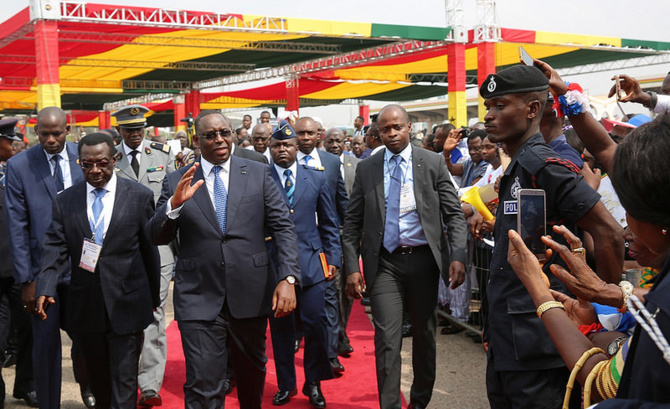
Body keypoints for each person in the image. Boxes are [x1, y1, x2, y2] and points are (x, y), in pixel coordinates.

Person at [478, 64, 624, 409]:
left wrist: (604, 301)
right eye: (488, 107)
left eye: (500, 106)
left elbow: (609, 232)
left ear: (531, 109)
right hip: (510, 338)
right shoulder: (519, 167)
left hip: (540, 342)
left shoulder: (544, 165)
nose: (489, 115)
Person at [507, 114, 670, 407]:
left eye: (626, 209)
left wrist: (540, 294)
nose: (625, 229)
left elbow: (602, 385)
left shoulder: (664, 309)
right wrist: (611, 295)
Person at [148, 110, 300, 408]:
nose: (219, 139)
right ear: (196, 140)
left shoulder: (257, 172)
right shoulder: (178, 180)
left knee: (251, 377)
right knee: (203, 384)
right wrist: (173, 206)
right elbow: (157, 235)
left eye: (224, 133)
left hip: (251, 293)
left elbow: (283, 227)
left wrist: (288, 277)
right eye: (210, 135)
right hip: (198, 296)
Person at [342, 104, 468, 409]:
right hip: (385, 264)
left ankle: (419, 402)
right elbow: (352, 223)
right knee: (386, 339)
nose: (392, 133)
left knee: (425, 336)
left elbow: (453, 213)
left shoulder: (432, 162)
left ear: (409, 128)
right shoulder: (367, 168)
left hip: (424, 261)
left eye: (397, 127)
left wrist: (459, 255)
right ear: (377, 132)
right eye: (385, 129)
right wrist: (351, 267)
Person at [35, 133, 160, 409]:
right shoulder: (65, 200)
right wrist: (45, 287)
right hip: (85, 304)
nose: (94, 170)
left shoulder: (139, 196)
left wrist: (152, 299)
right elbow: (54, 247)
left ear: (115, 159)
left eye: (102, 163)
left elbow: (149, 252)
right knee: (98, 378)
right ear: (79, 163)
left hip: (127, 302)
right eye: (87, 164)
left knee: (125, 378)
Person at [5, 107, 93, 409]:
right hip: (43, 272)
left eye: (57, 133)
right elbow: (17, 225)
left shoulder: (85, 157)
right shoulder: (19, 166)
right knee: (45, 346)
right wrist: (26, 279)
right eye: (45, 134)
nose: (51, 139)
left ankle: (90, 388)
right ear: (35, 132)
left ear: (67, 130)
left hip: (84, 267)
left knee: (88, 338)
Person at [268, 121, 340, 408]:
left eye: (287, 144)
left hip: (311, 264)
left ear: (297, 148)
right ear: (270, 149)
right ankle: (286, 385)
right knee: (281, 330)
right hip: (275, 267)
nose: (282, 149)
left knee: (315, 325)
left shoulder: (316, 177)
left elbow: (329, 222)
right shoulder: (261, 177)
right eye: (276, 145)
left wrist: (333, 258)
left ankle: (314, 382)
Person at [111, 104, 176, 407]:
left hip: (157, 247)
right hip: (120, 249)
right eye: (129, 130)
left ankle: (149, 384)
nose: (135, 135)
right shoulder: (110, 158)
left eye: (139, 129)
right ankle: (124, 373)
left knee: (154, 311)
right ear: (119, 132)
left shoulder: (163, 155)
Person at [293, 117, 348, 374]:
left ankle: (330, 353)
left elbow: (341, 205)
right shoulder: (283, 162)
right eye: (300, 133)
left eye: (310, 133)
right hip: (295, 246)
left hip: (324, 246)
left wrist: (342, 244)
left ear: (319, 135)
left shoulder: (332, 163)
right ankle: (298, 337)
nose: (305, 137)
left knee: (330, 299)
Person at [0, 118, 36, 408]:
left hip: (21, 267)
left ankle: (26, 385)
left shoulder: (21, 169)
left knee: (27, 329)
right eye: (8, 139)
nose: (15, 144)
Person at [323, 128, 361, 356]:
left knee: (347, 286)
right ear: (324, 142)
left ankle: (341, 332)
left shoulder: (356, 165)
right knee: (330, 288)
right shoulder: (318, 163)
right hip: (326, 235)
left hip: (349, 234)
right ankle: (332, 335)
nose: (335, 144)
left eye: (339, 141)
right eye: (331, 141)